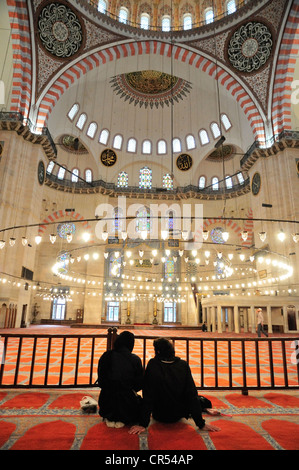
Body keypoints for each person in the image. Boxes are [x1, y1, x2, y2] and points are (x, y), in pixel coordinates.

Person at [129, 337, 220, 435]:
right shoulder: (183, 365)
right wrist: (200, 423)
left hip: (159, 415)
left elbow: (148, 395)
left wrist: (143, 424)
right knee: (192, 396)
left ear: (158, 351)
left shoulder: (153, 364)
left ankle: (204, 407)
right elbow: (191, 395)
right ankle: (205, 407)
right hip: (178, 414)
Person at [97, 330, 143, 428]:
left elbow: (101, 381)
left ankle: (110, 416)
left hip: (106, 403)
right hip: (127, 405)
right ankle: (121, 416)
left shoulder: (106, 356)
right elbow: (138, 385)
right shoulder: (135, 359)